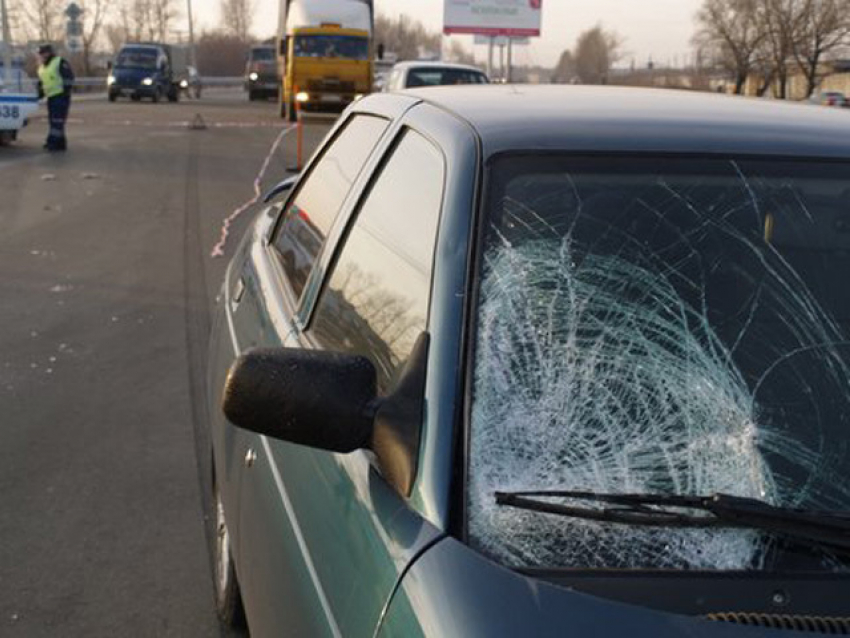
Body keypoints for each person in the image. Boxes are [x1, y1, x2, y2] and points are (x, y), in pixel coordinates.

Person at [36, 44, 75, 152]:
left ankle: (53, 142)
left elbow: (69, 78)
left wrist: (66, 92)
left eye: (43, 53)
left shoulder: (59, 62)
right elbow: (41, 83)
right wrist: (38, 95)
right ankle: (60, 143)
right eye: (40, 54)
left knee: (56, 121)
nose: (41, 56)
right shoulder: (42, 68)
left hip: (60, 96)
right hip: (51, 97)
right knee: (55, 121)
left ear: (49, 53)